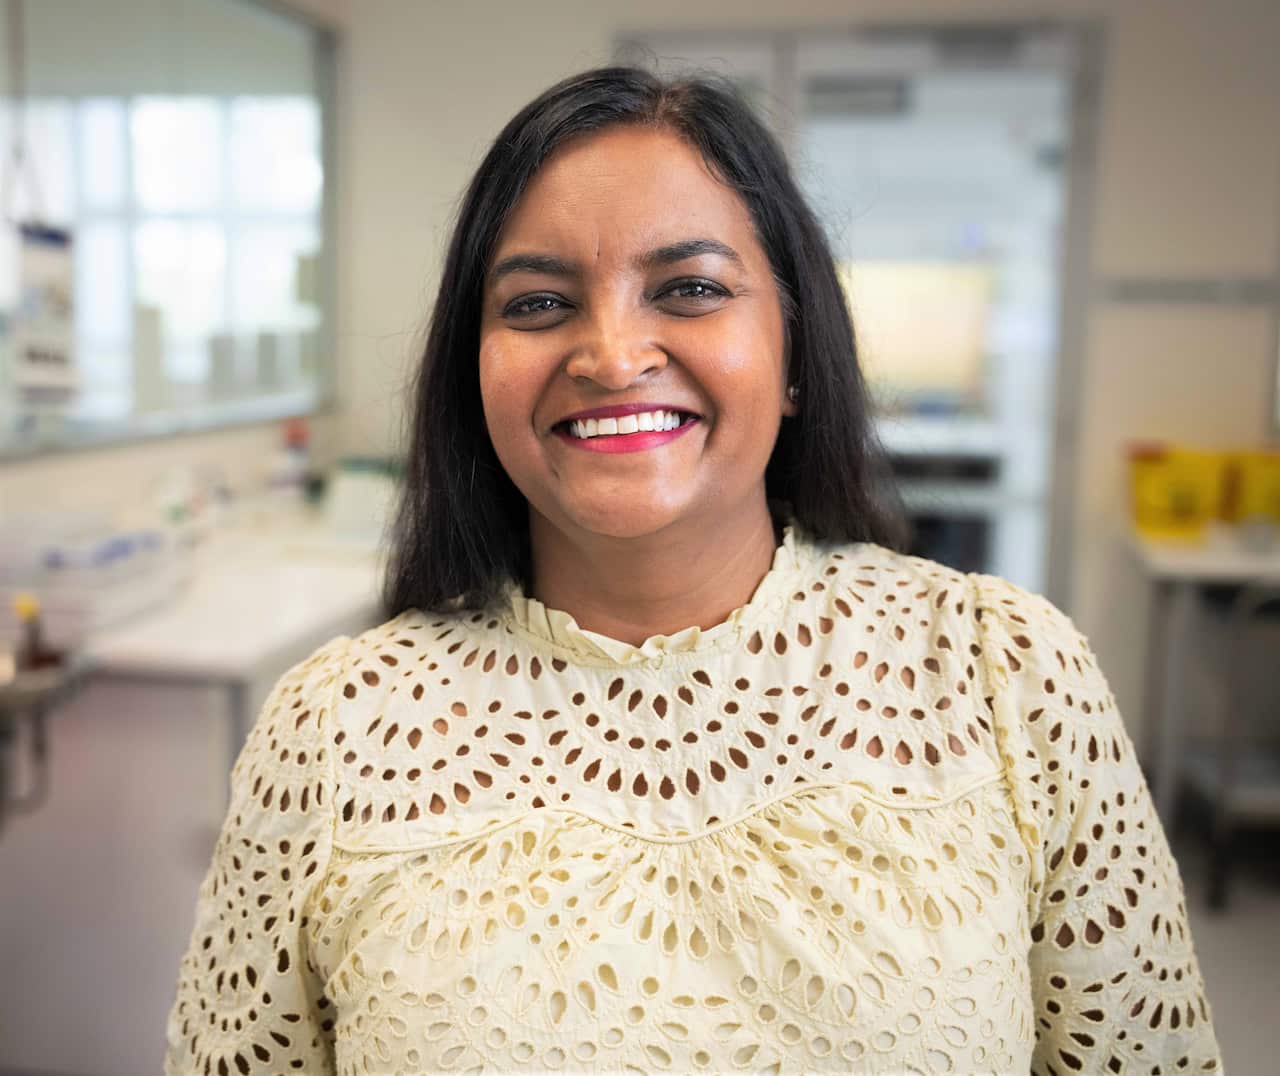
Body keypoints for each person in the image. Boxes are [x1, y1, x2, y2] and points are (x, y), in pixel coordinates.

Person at [164, 67, 1221, 1074]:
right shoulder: (336, 728)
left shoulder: (1004, 675)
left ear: (797, 354)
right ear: (469, 370)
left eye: (687, 287)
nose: (611, 354)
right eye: (537, 303)